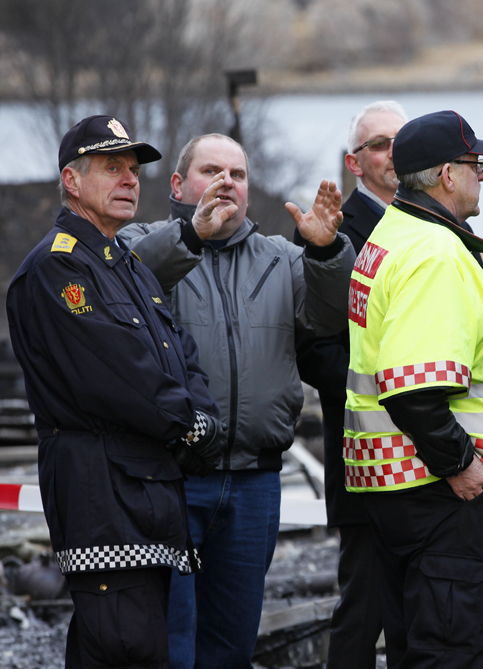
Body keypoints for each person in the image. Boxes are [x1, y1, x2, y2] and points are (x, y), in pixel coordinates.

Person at [118, 133, 355, 668]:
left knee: (230, 648)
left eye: (239, 175)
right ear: (179, 185)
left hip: (254, 484)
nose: (227, 182)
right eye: (211, 171)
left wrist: (325, 251)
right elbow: (124, 288)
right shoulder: (141, 239)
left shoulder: (281, 258)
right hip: (171, 481)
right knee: (169, 646)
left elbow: (332, 316)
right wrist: (192, 236)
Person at [6, 115, 223, 668]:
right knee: (127, 650)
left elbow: (180, 354)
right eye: (111, 168)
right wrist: (193, 426)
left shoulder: (126, 264)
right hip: (101, 496)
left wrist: (204, 415)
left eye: (133, 169)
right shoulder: (57, 269)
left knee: (129, 650)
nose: (129, 179)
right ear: (72, 181)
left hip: (145, 492)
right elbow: (121, 377)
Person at [344, 110, 483, 669]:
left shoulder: (392, 233)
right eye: (477, 165)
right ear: (448, 175)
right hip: (441, 491)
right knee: (446, 651)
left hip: (396, 486)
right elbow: (413, 389)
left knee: (412, 647)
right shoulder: (435, 254)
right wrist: (461, 465)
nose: (481, 176)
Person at [295, 100, 407, 669]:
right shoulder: (332, 234)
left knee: (423, 613)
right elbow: (315, 351)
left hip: (433, 454)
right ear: (354, 163)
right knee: (363, 613)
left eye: (401, 140)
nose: (393, 152)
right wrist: (393, 390)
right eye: (379, 144)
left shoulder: (437, 225)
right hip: (364, 452)